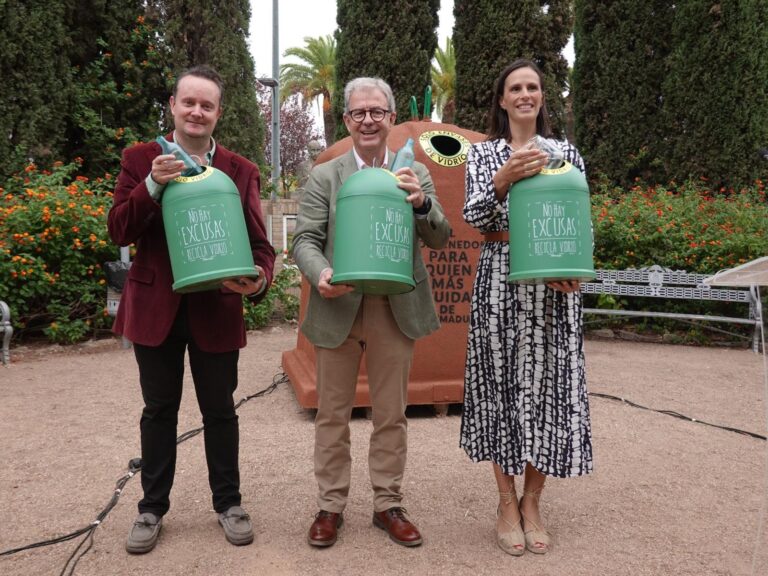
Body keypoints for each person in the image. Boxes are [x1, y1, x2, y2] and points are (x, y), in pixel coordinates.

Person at [107, 65, 276, 554]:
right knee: (158, 410)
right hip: (155, 306)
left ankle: (229, 503)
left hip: (217, 309)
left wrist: (258, 280)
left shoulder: (239, 170)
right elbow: (119, 229)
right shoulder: (141, 159)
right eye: (189, 102)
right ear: (174, 106)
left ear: (218, 113)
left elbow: (260, 247)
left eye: (207, 105)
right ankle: (151, 509)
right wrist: (153, 188)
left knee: (220, 410)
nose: (197, 112)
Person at [292, 77, 451, 548]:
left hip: (394, 307)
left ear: (391, 119)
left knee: (391, 413)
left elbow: (439, 237)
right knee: (332, 414)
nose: (368, 120)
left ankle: (388, 505)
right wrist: (320, 274)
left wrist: (421, 203)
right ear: (346, 120)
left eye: (377, 112)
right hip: (337, 303)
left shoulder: (413, 173)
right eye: (359, 113)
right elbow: (304, 240)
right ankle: (330, 507)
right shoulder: (326, 175)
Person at [460, 59, 593, 556]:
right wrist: (501, 180)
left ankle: (533, 501)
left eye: (532, 87)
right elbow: (473, 216)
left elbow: (580, 218)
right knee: (499, 387)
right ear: (501, 99)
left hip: (553, 290)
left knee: (550, 389)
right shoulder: (484, 154)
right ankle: (504, 501)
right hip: (500, 284)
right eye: (515, 87)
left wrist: (576, 270)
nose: (524, 94)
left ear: (542, 96)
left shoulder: (567, 153)